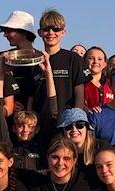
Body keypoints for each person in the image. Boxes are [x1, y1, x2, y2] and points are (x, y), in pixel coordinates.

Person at [32, 9, 90, 139]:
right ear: (40, 33)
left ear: (63, 32)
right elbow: (31, 97)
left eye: (56, 29)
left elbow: (79, 95)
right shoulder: (34, 61)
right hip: (40, 127)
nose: (51, 33)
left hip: (66, 126)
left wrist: (73, 123)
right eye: (46, 29)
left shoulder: (73, 59)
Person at [0, 51, 56, 172]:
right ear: (13, 128)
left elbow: (52, 109)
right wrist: (1, 73)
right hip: (14, 189)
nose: (25, 130)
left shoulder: (43, 145)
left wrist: (48, 74)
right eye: (21, 126)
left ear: (37, 129)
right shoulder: (8, 145)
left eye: (30, 126)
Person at [0, 10, 39, 112]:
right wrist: (8, 103)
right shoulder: (2, 58)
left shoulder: (42, 59)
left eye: (9, 31)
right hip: (7, 119)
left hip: (34, 122)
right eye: (5, 31)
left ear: (23, 31)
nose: (5, 35)